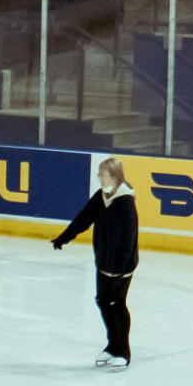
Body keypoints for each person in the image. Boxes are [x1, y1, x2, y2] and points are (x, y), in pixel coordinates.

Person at [52, 157, 140, 369]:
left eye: (104, 174)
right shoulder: (101, 197)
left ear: (115, 176)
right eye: (99, 174)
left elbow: (129, 237)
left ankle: (123, 351)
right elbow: (84, 219)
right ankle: (112, 346)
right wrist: (64, 237)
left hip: (122, 266)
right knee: (102, 300)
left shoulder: (125, 202)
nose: (100, 178)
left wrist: (120, 268)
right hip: (103, 262)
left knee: (117, 304)